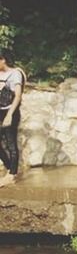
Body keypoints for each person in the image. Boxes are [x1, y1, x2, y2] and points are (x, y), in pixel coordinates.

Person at [0, 49, 25, 188]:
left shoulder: (15, 74)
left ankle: (12, 174)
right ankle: (9, 167)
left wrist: (9, 115)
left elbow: (18, 95)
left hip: (11, 111)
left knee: (10, 142)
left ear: (3, 59)